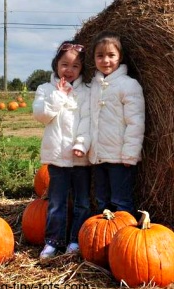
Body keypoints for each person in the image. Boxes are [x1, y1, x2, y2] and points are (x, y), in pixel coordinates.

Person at [32, 40, 91, 260]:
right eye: (65, 64)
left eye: (75, 66)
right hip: (57, 157)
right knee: (56, 203)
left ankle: (75, 240)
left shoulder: (86, 91)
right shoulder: (45, 90)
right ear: (56, 63)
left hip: (80, 158)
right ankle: (53, 242)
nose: (69, 70)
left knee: (82, 203)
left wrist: (82, 144)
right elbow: (42, 116)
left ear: (82, 69)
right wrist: (59, 95)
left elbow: (89, 120)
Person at [88, 30, 145, 215]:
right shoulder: (93, 85)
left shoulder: (128, 85)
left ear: (120, 57)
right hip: (98, 157)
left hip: (120, 158)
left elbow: (135, 122)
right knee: (101, 200)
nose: (106, 60)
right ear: (94, 59)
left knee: (121, 201)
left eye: (111, 55)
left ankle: (122, 237)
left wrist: (130, 154)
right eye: (100, 56)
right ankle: (104, 241)